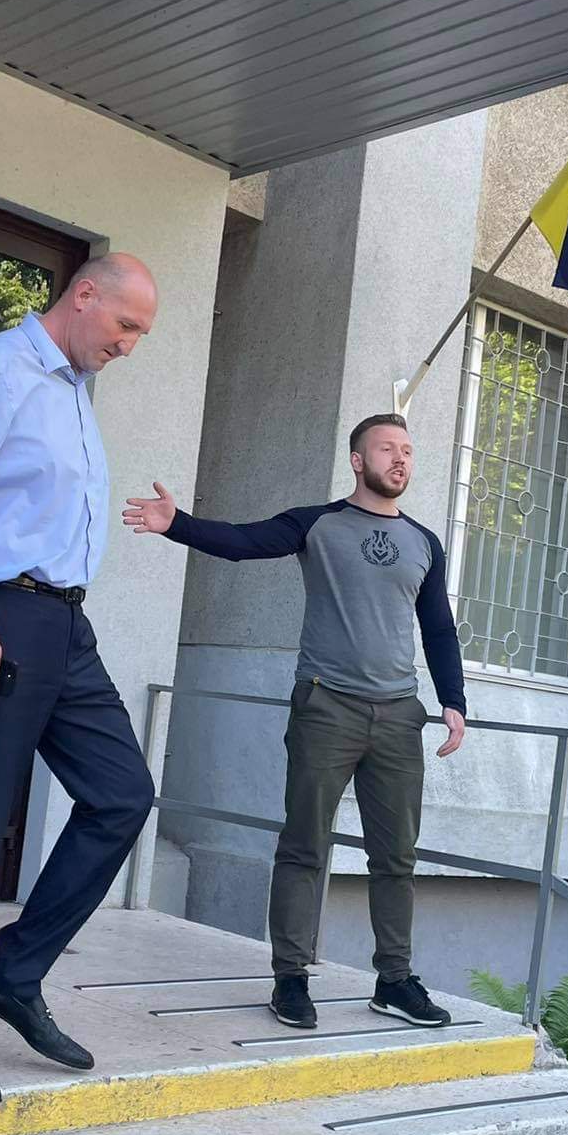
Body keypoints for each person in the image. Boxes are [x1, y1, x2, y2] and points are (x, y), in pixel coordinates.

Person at [0, 253, 158, 1105]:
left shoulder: (73, 388)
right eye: (125, 326)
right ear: (83, 296)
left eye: (140, 335)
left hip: (64, 626)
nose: (128, 347)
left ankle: (11, 974)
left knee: (123, 795)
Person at [124, 413, 467, 1031]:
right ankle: (290, 976)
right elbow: (243, 542)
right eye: (386, 449)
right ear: (357, 461)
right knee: (305, 845)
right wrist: (176, 524)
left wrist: (454, 699)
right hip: (327, 706)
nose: (400, 459)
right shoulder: (317, 524)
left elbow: (438, 626)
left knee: (397, 855)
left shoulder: (424, 542)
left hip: (399, 715)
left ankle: (394, 979)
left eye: (407, 451)